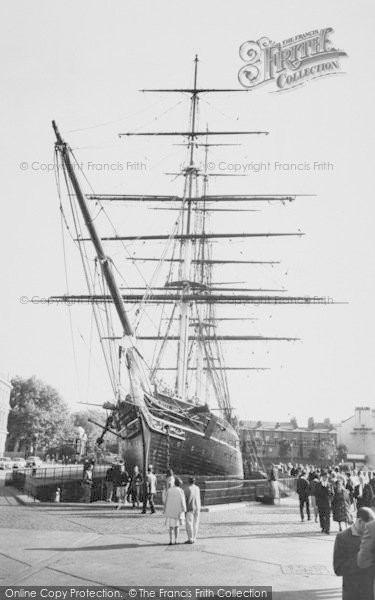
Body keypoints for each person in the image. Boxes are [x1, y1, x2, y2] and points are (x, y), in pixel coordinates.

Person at [334, 507, 375, 600]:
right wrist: (362, 557)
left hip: (370, 592)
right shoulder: (342, 538)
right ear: (360, 521)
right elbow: (338, 568)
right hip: (353, 592)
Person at [164, 477, 186, 545]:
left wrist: (165, 509)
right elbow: (182, 501)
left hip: (170, 510)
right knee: (177, 527)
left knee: (170, 527)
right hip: (177, 511)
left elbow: (165, 500)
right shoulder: (181, 491)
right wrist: (184, 509)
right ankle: (176, 540)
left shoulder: (169, 490)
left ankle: (170, 540)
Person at [184, 476, 201, 544]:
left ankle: (190, 538)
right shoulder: (197, 488)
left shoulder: (187, 489)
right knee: (196, 523)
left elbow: (184, 499)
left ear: (188, 481)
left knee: (189, 524)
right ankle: (194, 538)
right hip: (197, 507)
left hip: (190, 508)